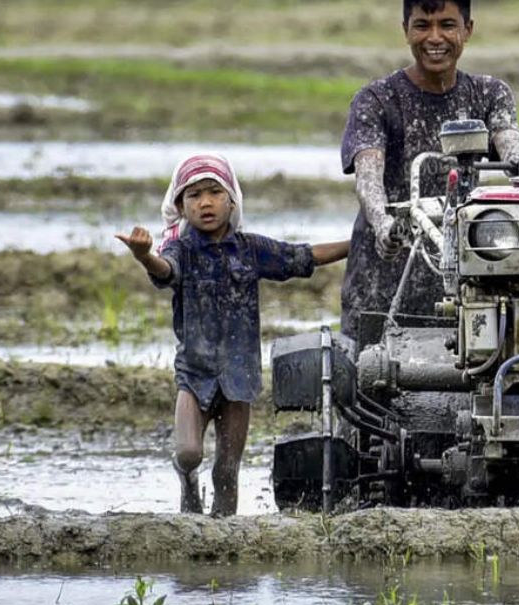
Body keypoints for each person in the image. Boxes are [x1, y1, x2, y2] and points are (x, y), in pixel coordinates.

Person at [116, 153, 349, 516]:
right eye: (194, 196)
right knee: (188, 453)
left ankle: (224, 539)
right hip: (195, 375)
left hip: (240, 377)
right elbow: (166, 271)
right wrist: (145, 256)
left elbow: (302, 256)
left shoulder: (251, 250)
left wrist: (355, 244)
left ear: (232, 201)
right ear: (180, 206)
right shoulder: (181, 250)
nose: (205, 203)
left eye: (214, 192)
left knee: (227, 471)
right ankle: (187, 481)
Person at [338, 0, 519, 347]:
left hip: (461, 284)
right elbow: (367, 175)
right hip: (382, 284)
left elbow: (509, 139)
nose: (435, 37)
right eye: (423, 25)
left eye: (447, 25)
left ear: (467, 29)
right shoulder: (376, 100)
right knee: (370, 373)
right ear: (406, 30)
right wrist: (384, 224)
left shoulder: (488, 94)